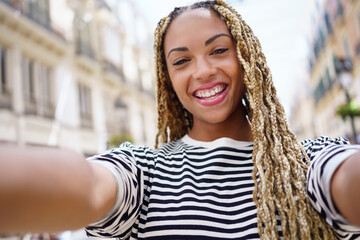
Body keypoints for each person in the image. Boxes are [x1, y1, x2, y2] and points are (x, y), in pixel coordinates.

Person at [0, 0, 360, 239]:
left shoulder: (309, 163)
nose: (203, 71)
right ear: (168, 79)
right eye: (181, 60)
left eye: (219, 50)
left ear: (247, 59)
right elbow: (87, 183)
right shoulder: (144, 173)